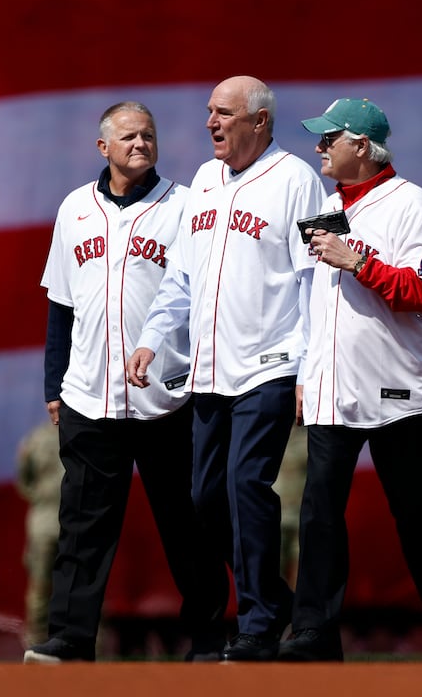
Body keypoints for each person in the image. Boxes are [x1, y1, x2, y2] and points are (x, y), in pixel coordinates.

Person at [128, 77, 324, 662]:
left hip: (270, 365)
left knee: (247, 486)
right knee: (204, 497)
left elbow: (316, 280)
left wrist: (309, 367)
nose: (210, 122)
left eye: (223, 113)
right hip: (210, 372)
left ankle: (259, 623)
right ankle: (278, 601)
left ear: (259, 122)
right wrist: (151, 337)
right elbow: (181, 276)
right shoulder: (204, 183)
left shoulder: (299, 181)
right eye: (208, 112)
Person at [26, 101, 228, 664]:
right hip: (89, 395)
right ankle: (69, 640)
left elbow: (208, 299)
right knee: (82, 530)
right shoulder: (75, 209)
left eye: (149, 135)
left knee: (189, 526)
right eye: (129, 136)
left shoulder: (187, 207)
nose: (140, 143)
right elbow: (61, 307)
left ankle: (209, 640)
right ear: (103, 148)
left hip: (170, 396)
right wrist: (53, 387)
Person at [276, 98, 422, 662]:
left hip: (400, 388)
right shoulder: (328, 207)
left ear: (362, 145)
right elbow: (314, 305)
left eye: (329, 138)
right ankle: (314, 632)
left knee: (418, 516)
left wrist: (357, 261)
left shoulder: (408, 201)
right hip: (334, 384)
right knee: (319, 511)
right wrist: (307, 370)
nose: (319, 148)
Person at [16, 421, 63, 650]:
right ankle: (35, 646)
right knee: (40, 588)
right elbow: (24, 480)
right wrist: (41, 498)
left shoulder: (85, 436)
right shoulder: (36, 439)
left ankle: (90, 649)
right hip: (44, 523)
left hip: (76, 523)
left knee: (85, 586)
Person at [274, 423, 309, 587]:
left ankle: (298, 610)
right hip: (275, 517)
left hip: (299, 514)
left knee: (302, 570)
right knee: (272, 571)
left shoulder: (307, 438)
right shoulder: (267, 432)